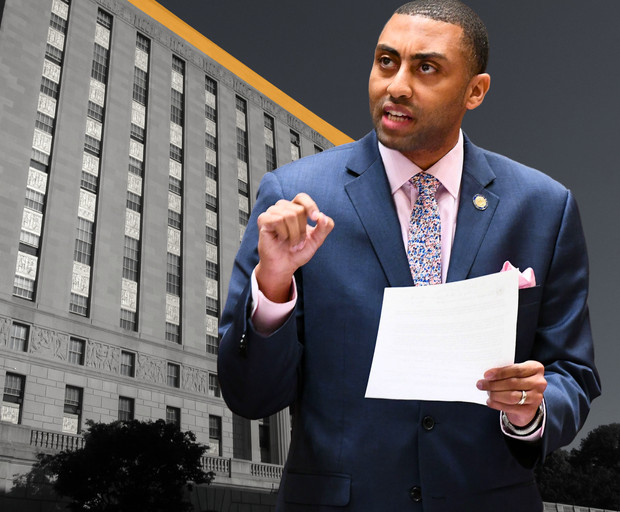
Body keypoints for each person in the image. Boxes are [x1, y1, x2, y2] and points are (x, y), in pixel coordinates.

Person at [217, 1, 601, 510]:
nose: (396, 85)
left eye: (425, 67)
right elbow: (250, 397)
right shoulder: (294, 196)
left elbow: (573, 372)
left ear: (475, 91)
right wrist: (273, 289)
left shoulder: (544, 207)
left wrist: (530, 410)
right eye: (385, 61)